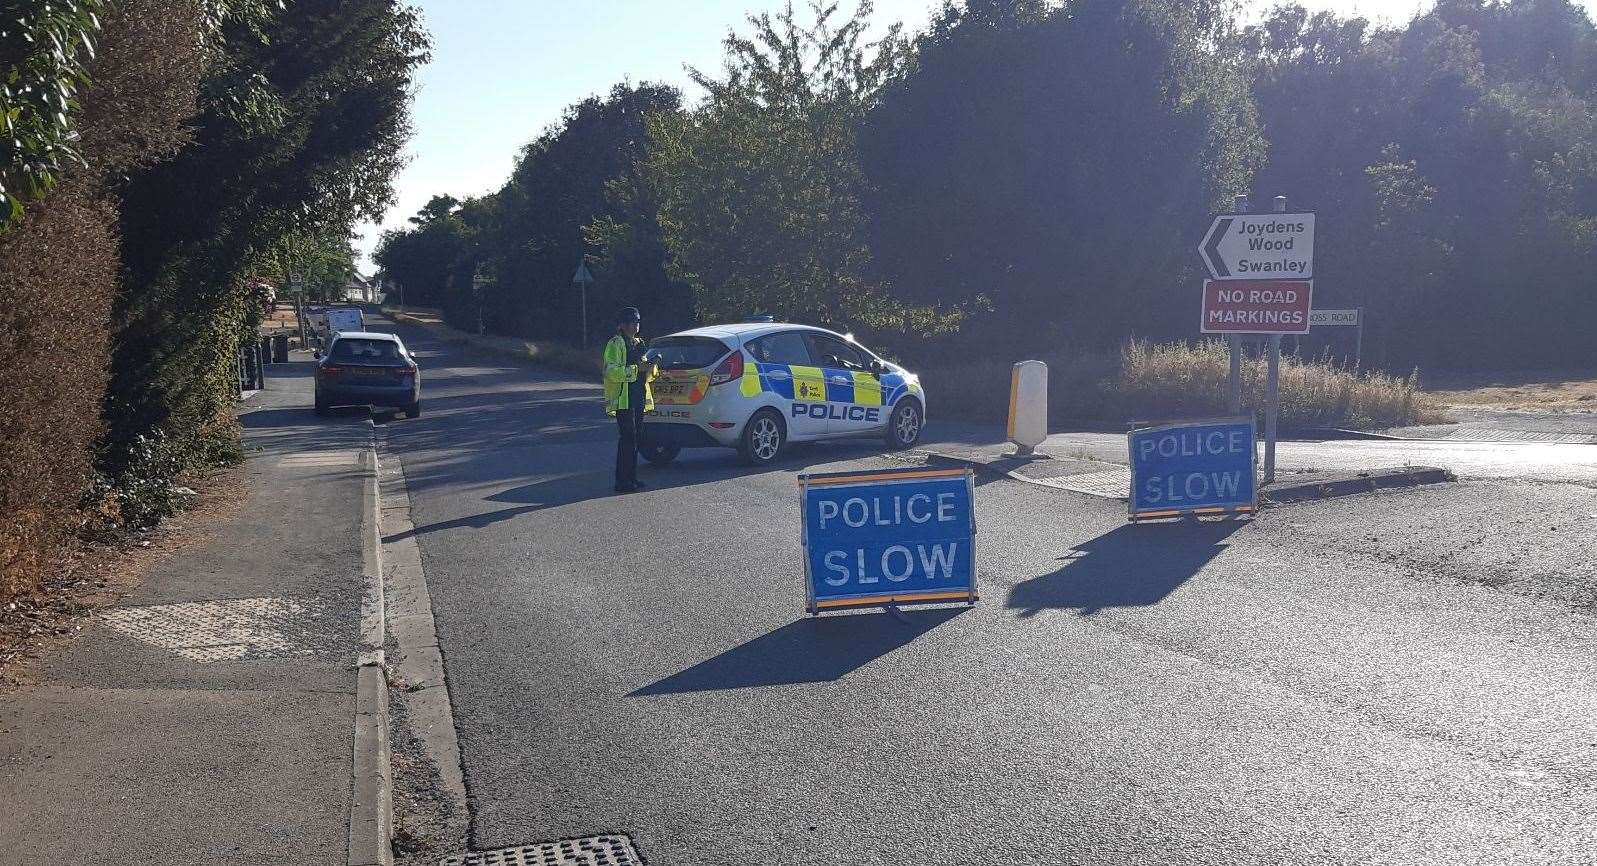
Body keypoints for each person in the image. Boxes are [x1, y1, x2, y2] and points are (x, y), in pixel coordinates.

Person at [603, 306, 657, 493]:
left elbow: (647, 371)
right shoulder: (615, 344)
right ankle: (622, 481)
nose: (636, 326)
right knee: (627, 439)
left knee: (635, 439)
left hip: (638, 396)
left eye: (638, 322)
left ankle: (631, 478)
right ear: (623, 325)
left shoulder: (638, 343)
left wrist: (651, 366)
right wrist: (636, 369)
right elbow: (612, 372)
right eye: (633, 323)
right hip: (623, 399)